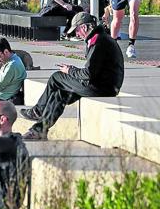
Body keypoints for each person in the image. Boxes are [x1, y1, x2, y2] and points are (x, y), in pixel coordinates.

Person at [20, 12, 124, 140]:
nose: (76, 34)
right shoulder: (100, 37)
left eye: (77, 30)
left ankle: (38, 111)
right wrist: (72, 71)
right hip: (104, 85)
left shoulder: (98, 41)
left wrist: (70, 70)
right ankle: (39, 130)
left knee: (56, 77)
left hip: (102, 87)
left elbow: (88, 74)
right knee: (60, 93)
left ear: (84, 27)